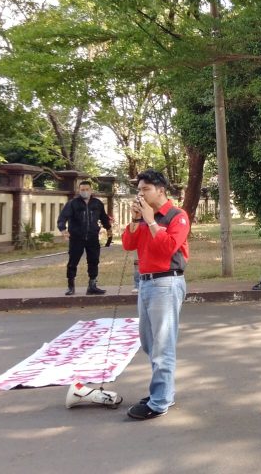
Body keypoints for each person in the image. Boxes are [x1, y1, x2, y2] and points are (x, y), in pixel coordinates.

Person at [121, 169, 190, 420]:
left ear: (160, 190)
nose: (140, 194)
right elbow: (129, 244)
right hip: (146, 282)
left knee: (162, 344)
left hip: (166, 283)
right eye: (138, 190)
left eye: (145, 189)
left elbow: (168, 248)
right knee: (149, 342)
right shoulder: (144, 217)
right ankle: (162, 391)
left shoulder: (176, 216)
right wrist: (136, 220)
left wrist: (151, 222)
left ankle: (160, 400)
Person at [57, 180, 112, 296]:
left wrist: (109, 229)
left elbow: (104, 217)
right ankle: (71, 286)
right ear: (79, 190)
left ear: (91, 190)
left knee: (94, 261)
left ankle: (92, 286)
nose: (85, 192)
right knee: (73, 262)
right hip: (76, 238)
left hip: (92, 237)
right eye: (82, 190)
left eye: (87, 189)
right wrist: (63, 230)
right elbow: (62, 218)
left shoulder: (97, 203)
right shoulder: (72, 203)